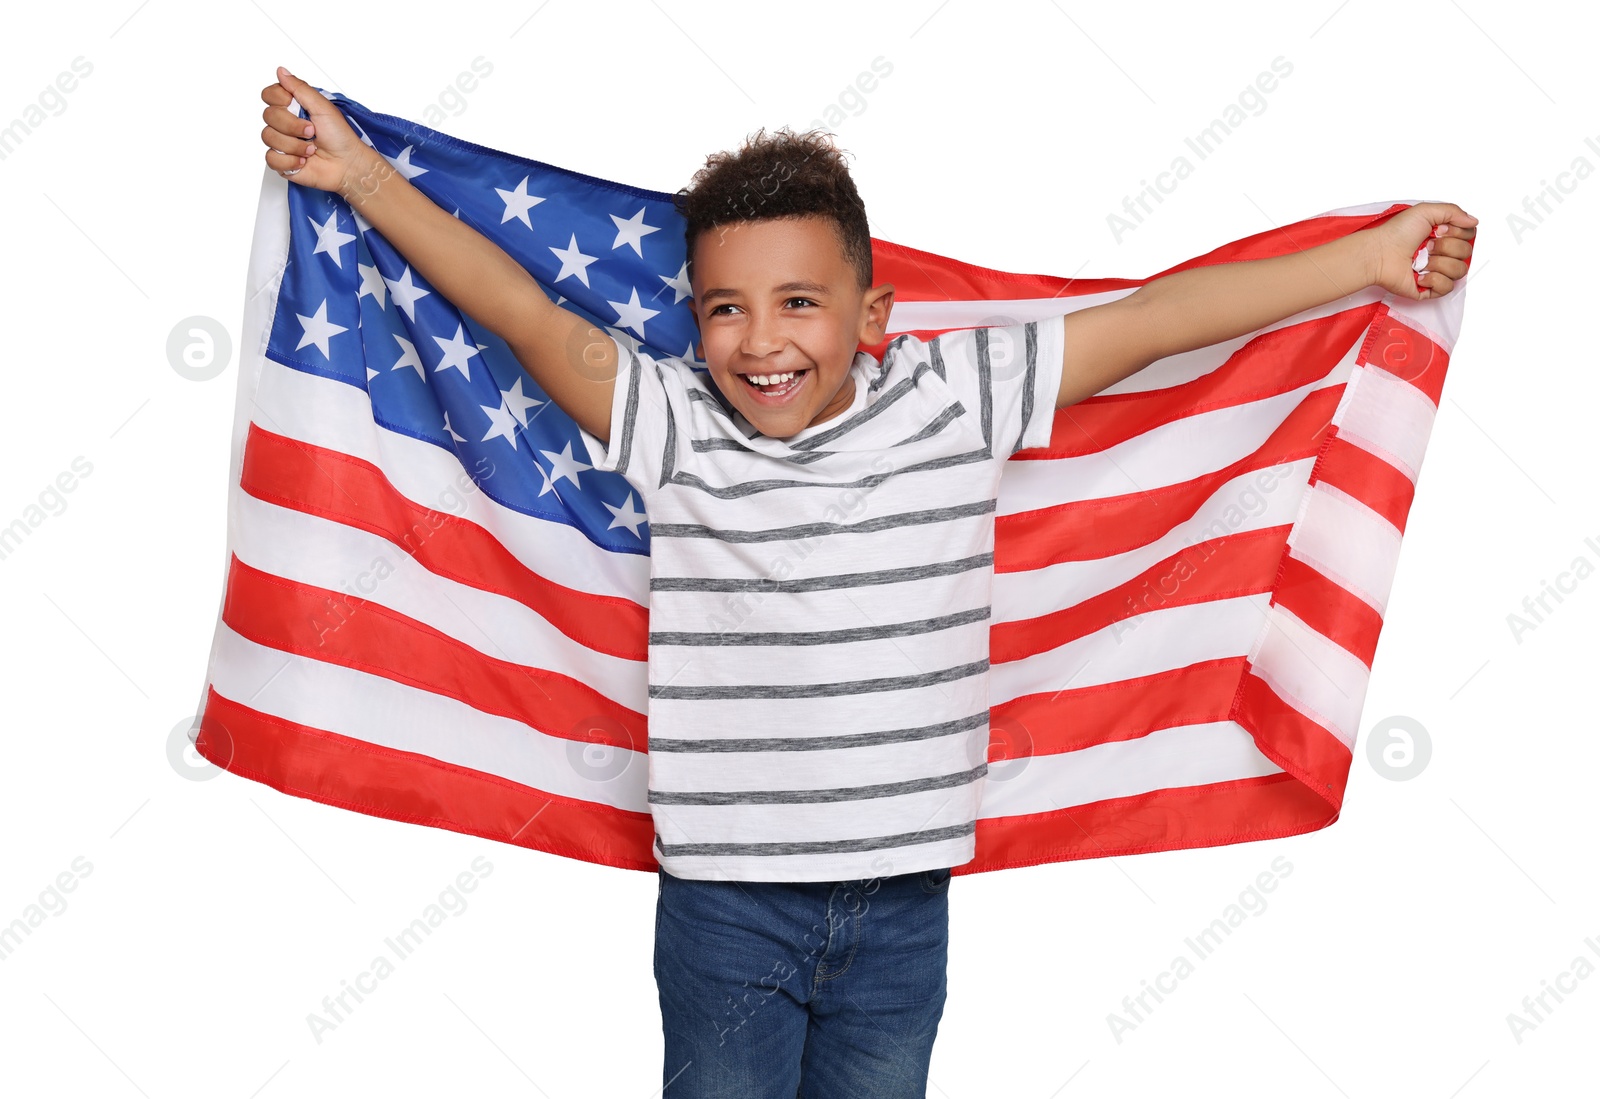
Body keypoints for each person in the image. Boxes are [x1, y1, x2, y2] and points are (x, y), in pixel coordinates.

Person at [258, 65, 1475, 1098]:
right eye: (725, 309)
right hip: (728, 909)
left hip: (902, 910)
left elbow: (1157, 320)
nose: (761, 340)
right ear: (692, 320)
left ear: (873, 313)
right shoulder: (672, 420)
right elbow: (518, 309)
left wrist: (1367, 257)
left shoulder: (959, 398)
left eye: (800, 302)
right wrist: (359, 177)